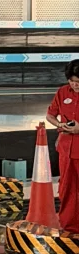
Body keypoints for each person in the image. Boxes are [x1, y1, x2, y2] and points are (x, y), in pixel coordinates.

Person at [46, 63, 79, 231]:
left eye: (78, 82)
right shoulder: (62, 92)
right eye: (72, 81)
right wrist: (60, 124)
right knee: (66, 188)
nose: (75, 85)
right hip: (66, 150)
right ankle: (68, 224)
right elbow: (50, 115)